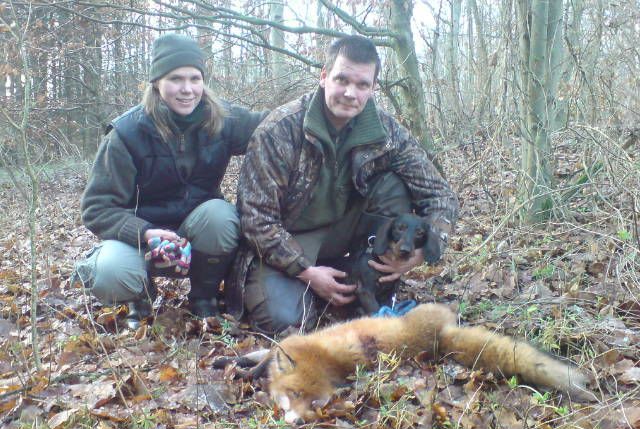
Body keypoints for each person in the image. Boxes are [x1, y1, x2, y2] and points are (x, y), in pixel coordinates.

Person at [227, 35, 459, 334]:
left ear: (373, 87)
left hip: (350, 231)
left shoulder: (386, 132)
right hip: (292, 236)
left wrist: (422, 252)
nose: (351, 93)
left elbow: (441, 196)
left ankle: (372, 280)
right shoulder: (279, 130)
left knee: (393, 185)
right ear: (323, 77)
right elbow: (256, 219)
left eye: (362, 85)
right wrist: (306, 272)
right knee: (282, 320)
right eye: (342, 80)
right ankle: (318, 287)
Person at [74, 34, 267, 327]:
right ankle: (141, 296)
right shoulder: (126, 134)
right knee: (108, 271)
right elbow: (96, 209)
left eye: (195, 78)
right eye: (176, 79)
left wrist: (331, 100)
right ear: (156, 83)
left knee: (221, 216)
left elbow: (276, 124)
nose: (187, 89)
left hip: (199, 229)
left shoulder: (224, 119)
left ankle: (204, 297)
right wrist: (147, 233)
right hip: (141, 238)